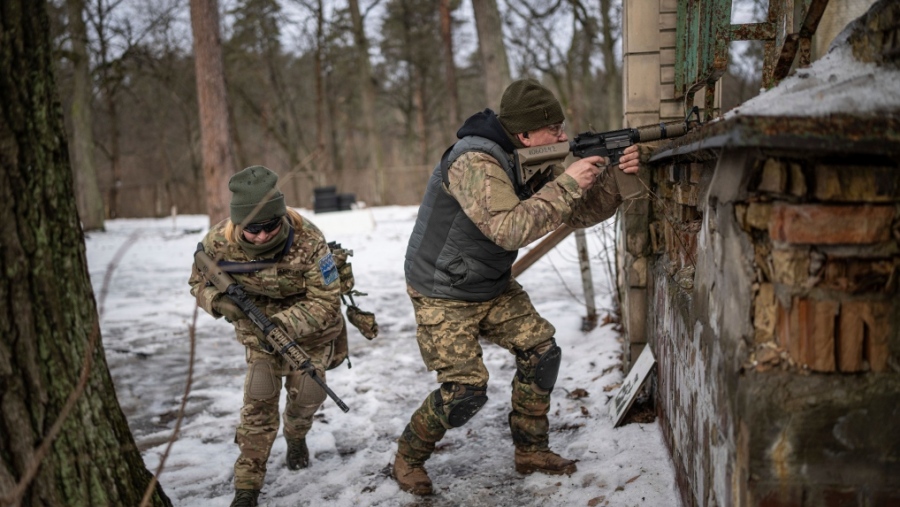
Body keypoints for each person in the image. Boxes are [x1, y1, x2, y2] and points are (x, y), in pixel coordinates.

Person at [393, 78, 642, 495]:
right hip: (443, 291)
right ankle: (407, 457)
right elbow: (509, 230)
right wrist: (568, 183)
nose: (562, 136)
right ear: (525, 134)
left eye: (562, 127)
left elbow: (574, 213)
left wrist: (615, 178)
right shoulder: (474, 161)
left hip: (490, 282)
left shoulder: (531, 157)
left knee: (542, 352)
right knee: (465, 392)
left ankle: (531, 451)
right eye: (554, 130)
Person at [189, 166, 345, 507]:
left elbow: (326, 300)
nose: (261, 237)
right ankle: (247, 487)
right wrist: (218, 303)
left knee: (308, 392)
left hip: (311, 331)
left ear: (282, 218)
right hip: (256, 332)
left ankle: (295, 435)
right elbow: (198, 281)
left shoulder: (309, 240)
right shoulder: (218, 242)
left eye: (270, 227)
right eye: (252, 229)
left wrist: (281, 325)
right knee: (259, 400)